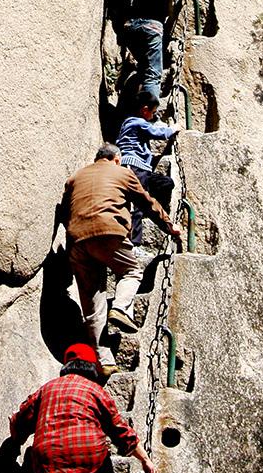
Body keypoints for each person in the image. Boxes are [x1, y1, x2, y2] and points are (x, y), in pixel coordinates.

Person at [62, 144, 182, 372]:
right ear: (116, 158)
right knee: (132, 271)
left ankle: (105, 361)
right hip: (108, 231)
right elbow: (146, 203)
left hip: (77, 241)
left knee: (93, 305)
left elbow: (66, 208)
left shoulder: (75, 177)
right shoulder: (123, 172)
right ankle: (120, 307)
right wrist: (169, 226)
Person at [9, 342, 156, 473]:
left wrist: (17, 439)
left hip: (50, 459)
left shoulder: (46, 389)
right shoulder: (96, 390)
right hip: (89, 454)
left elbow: (19, 421)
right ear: (93, 368)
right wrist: (145, 459)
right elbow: (120, 430)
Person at [117, 91, 178, 247]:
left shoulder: (129, 123)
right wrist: (172, 129)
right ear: (144, 110)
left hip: (142, 169)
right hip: (134, 165)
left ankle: (150, 210)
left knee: (166, 183)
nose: (152, 116)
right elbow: (157, 132)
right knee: (136, 204)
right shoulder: (137, 122)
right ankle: (133, 241)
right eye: (152, 112)